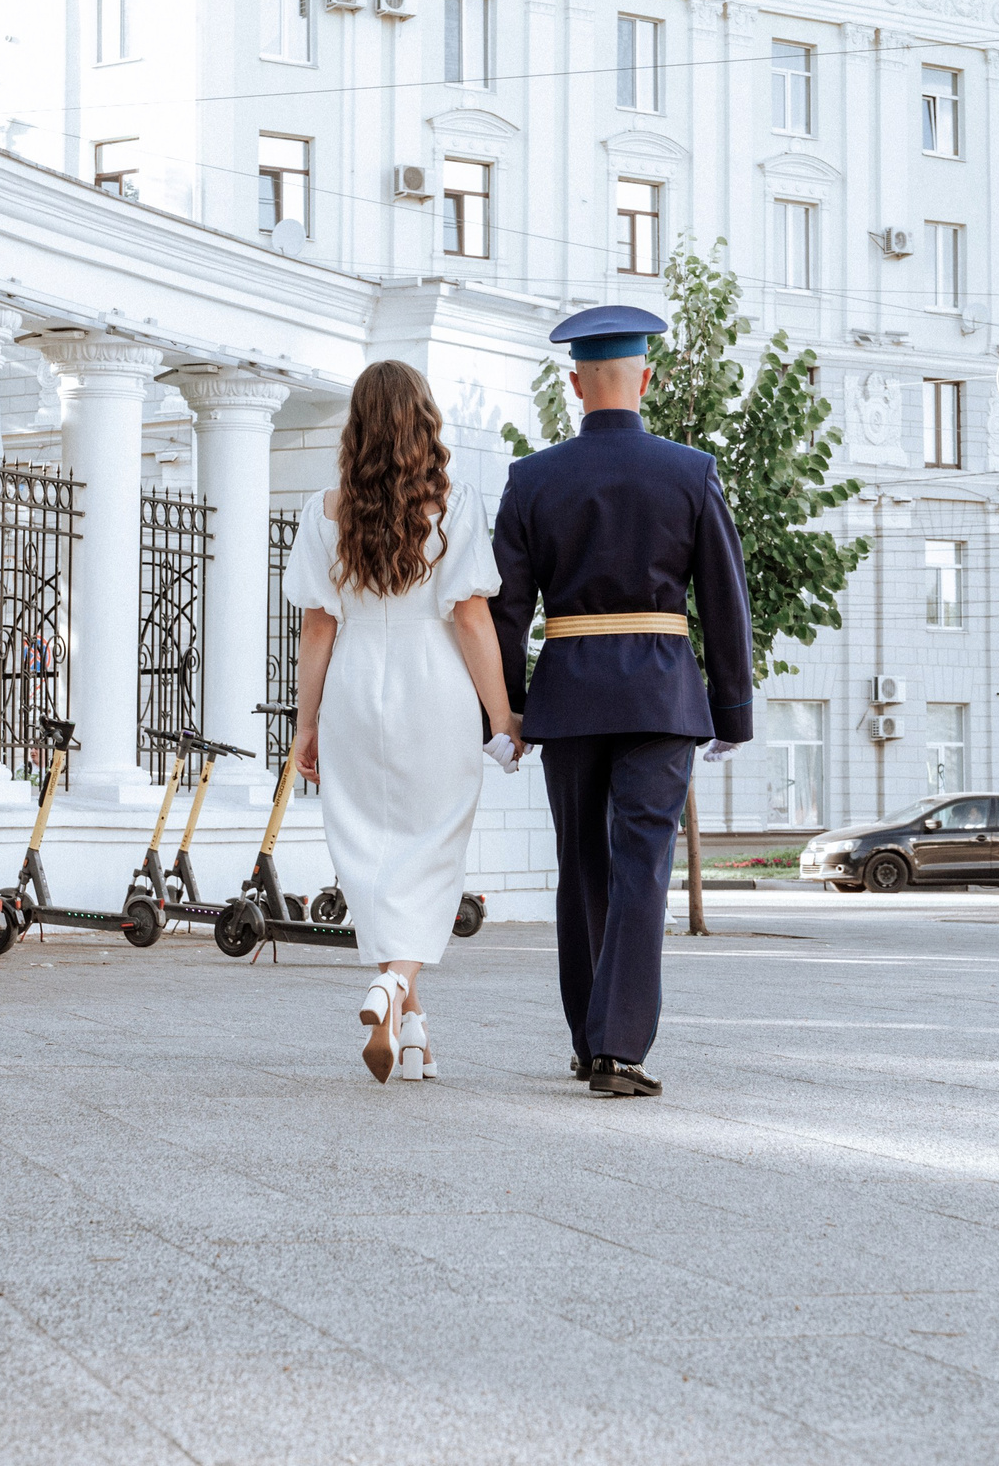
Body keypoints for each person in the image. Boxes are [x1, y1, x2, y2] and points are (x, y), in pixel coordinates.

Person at [490, 305, 754, 1099]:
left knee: (581, 865)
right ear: (647, 378)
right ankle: (618, 1048)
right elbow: (724, 597)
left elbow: (505, 606)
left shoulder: (531, 479)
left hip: (568, 697)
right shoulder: (691, 470)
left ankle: (587, 1038)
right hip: (660, 695)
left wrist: (507, 710)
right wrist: (732, 710)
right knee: (643, 863)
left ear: (575, 384)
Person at [284, 360, 515, 1084]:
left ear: (356, 426)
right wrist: (503, 713)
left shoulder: (325, 511)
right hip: (434, 687)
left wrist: (305, 724)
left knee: (378, 856)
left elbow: (317, 630)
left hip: (356, 685)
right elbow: (473, 618)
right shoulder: (455, 504)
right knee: (431, 851)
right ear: (425, 421)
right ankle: (391, 984)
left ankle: (411, 1028)